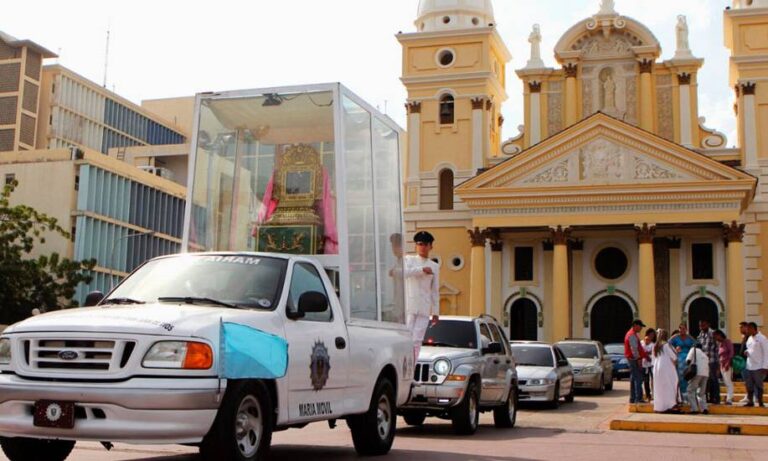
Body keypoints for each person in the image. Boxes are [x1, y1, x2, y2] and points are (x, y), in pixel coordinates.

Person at [404, 231, 440, 362]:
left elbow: (435, 290)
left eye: (425, 244)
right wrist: (421, 270)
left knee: (417, 341)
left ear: (430, 246)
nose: (422, 247)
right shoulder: (409, 260)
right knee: (406, 339)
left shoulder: (434, 266)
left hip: (424, 308)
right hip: (409, 306)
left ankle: (411, 371)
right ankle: (403, 369)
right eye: (419, 244)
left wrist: (436, 312)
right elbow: (404, 273)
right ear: (416, 246)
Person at [652, 329, 678, 413]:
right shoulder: (666, 345)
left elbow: (653, 359)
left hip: (657, 368)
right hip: (667, 367)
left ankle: (660, 407)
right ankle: (670, 405)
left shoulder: (655, 346)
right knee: (670, 386)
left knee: (659, 387)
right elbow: (674, 356)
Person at [624, 319, 648, 404]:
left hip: (632, 359)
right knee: (638, 379)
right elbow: (634, 349)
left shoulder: (632, 334)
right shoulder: (632, 335)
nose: (641, 328)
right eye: (640, 326)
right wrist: (638, 359)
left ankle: (633, 398)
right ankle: (639, 398)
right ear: (635, 325)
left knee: (633, 378)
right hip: (633, 359)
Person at [744, 322, 767, 407]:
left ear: (753, 328)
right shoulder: (749, 338)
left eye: (748, 329)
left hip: (759, 366)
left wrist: (765, 366)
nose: (747, 330)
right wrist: (747, 351)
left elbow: (766, 352)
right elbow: (750, 349)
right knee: (749, 385)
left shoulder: (762, 338)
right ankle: (750, 401)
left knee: (759, 385)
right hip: (749, 365)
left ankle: (760, 402)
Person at [669, 324, 696, 397]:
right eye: (680, 328)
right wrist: (675, 350)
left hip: (688, 359)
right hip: (679, 359)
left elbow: (696, 344)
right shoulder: (675, 338)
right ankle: (681, 394)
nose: (682, 330)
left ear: (686, 329)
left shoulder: (689, 338)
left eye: (683, 329)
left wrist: (690, 336)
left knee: (688, 375)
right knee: (680, 376)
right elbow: (668, 345)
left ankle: (688, 394)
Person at [698, 320, 720, 404]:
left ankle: (716, 398)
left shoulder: (713, 333)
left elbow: (717, 347)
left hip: (712, 361)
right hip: (703, 362)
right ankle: (708, 398)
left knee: (714, 380)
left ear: (708, 324)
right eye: (700, 326)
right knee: (705, 381)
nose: (701, 327)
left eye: (703, 325)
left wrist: (718, 363)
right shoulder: (701, 334)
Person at [686, 344, 710, 414]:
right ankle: (704, 408)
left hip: (697, 372)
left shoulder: (693, 350)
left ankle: (694, 409)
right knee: (701, 393)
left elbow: (688, 360)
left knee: (690, 390)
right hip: (706, 374)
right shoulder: (704, 355)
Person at [713, 329, 735, 405]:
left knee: (728, 382)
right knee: (726, 382)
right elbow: (719, 356)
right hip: (722, 365)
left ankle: (729, 399)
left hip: (727, 364)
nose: (715, 338)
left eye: (716, 336)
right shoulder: (720, 344)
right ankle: (728, 397)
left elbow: (731, 353)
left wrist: (728, 363)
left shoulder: (727, 342)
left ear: (719, 335)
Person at [642, 328, 656, 401]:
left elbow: (654, 354)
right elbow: (641, 352)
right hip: (644, 365)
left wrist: (648, 354)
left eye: (653, 335)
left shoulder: (653, 344)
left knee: (653, 380)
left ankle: (654, 394)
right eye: (650, 335)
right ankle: (648, 395)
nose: (651, 336)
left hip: (652, 364)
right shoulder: (642, 343)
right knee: (646, 381)